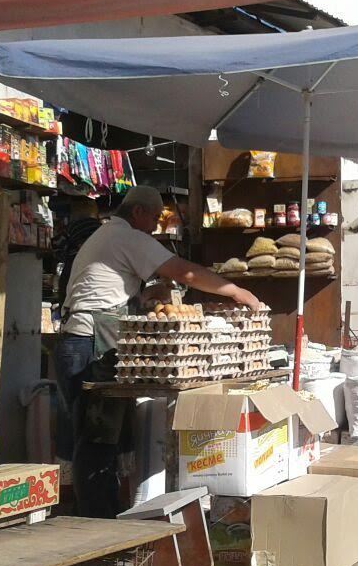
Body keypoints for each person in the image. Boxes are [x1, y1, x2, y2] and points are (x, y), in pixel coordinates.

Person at [57, 186, 260, 517]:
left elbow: (106, 291)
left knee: (100, 438)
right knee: (96, 437)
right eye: (153, 218)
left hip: (82, 342)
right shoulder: (127, 237)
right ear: (137, 212)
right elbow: (185, 272)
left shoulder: (109, 235)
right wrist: (236, 291)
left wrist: (145, 296)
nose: (154, 226)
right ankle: (97, 523)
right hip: (89, 344)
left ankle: (102, 514)